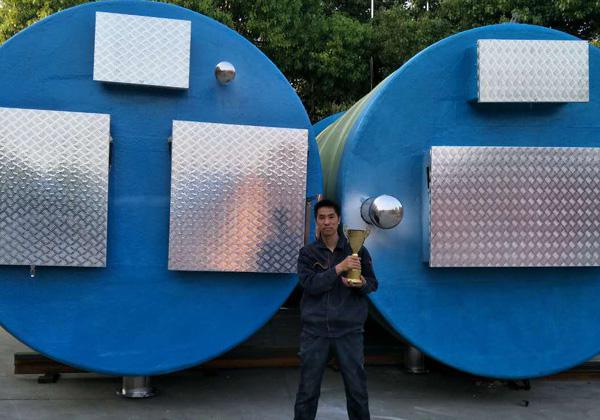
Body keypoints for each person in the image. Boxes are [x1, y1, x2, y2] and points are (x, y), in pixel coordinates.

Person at [294, 199, 378, 420]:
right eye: (321, 218)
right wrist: (340, 268)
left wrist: (360, 283)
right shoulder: (307, 253)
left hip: (349, 331)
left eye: (331, 217)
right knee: (307, 391)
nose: (327, 222)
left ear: (339, 219)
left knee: (357, 390)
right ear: (316, 221)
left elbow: (372, 284)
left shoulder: (358, 249)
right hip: (315, 332)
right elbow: (310, 285)